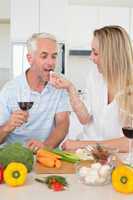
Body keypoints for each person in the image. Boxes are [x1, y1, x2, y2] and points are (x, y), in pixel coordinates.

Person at [50, 25, 133, 152]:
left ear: (112, 56)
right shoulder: (95, 75)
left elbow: (129, 143)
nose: (91, 57)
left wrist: (82, 145)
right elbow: (85, 119)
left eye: (96, 53)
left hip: (116, 156)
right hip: (88, 154)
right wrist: (70, 89)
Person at [0, 33, 70, 150]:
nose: (51, 62)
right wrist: (8, 126)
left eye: (53, 56)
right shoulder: (10, 90)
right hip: (14, 157)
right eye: (44, 56)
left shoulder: (59, 86)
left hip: (46, 154)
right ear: (30, 58)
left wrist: (45, 147)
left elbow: (62, 124)